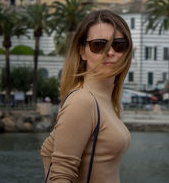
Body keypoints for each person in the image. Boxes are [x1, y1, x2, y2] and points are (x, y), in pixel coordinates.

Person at [41, 10, 133, 182]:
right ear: (82, 51)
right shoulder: (82, 101)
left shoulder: (106, 101)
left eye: (119, 45)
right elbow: (60, 175)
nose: (110, 52)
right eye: (99, 45)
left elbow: (48, 150)